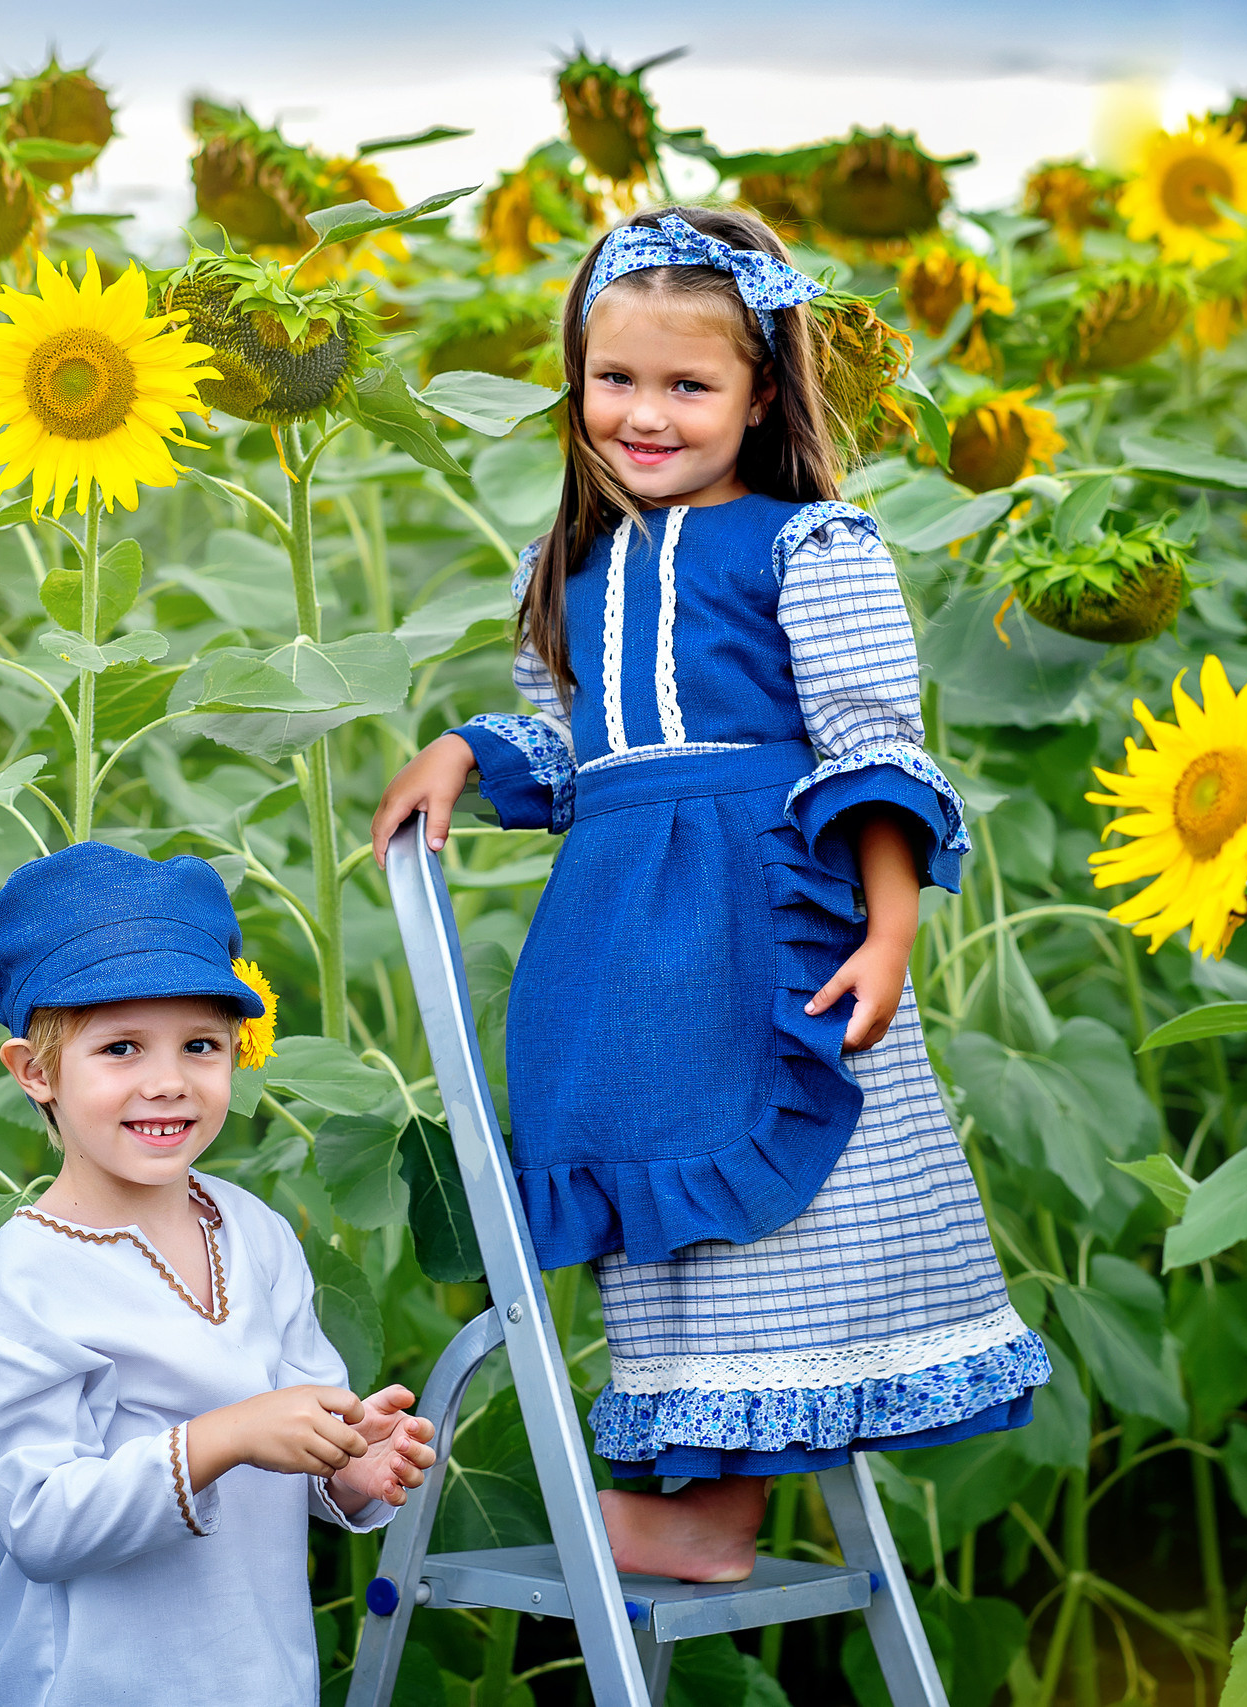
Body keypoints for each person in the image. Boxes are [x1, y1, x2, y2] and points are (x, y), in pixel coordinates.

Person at [372, 205, 1050, 1584]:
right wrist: (468, 747)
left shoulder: (808, 545)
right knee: (660, 1208)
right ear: (577, 381)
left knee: (780, 1210)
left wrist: (891, 928)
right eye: (616, 379)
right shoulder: (563, 567)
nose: (647, 413)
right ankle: (688, 1501)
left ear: (758, 396)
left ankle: (718, 1514)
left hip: (761, 920)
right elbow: (577, 747)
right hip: (621, 944)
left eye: (690, 385)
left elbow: (871, 746)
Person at [0, 840, 438, 1704]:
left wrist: (349, 1467)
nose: (168, 1081)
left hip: (258, 1672)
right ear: (36, 1072)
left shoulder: (255, 1232)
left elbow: (303, 1418)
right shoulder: (27, 1274)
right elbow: (36, 1522)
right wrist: (224, 1435)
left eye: (202, 1044)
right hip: (94, 1681)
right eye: (123, 1048)